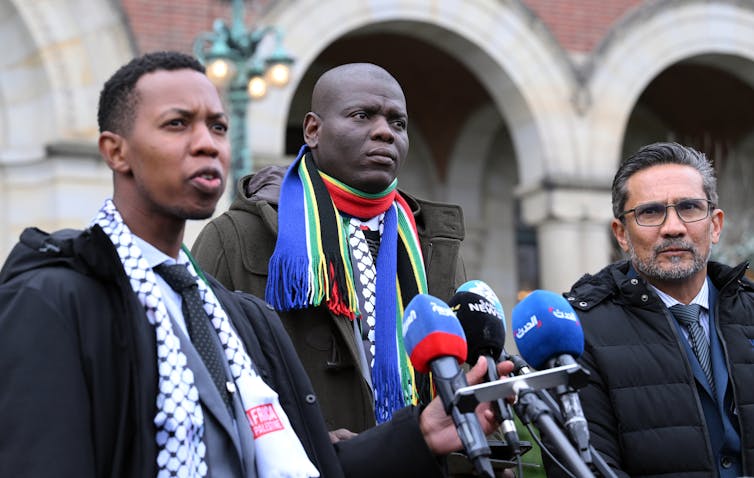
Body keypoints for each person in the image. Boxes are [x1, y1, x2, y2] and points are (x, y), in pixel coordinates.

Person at [0, 51, 510, 478]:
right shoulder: (53, 297)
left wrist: (421, 434)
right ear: (115, 151)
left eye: (218, 126)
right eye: (178, 124)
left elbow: (292, 461)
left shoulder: (237, 315)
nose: (207, 143)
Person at [191, 63, 466, 438]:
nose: (385, 132)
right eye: (362, 115)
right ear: (313, 130)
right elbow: (200, 381)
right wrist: (312, 442)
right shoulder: (236, 236)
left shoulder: (433, 248)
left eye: (398, 123)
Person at [546, 142, 754, 477]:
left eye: (689, 207)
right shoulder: (578, 333)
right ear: (622, 234)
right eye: (651, 212)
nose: (673, 227)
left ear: (715, 225)